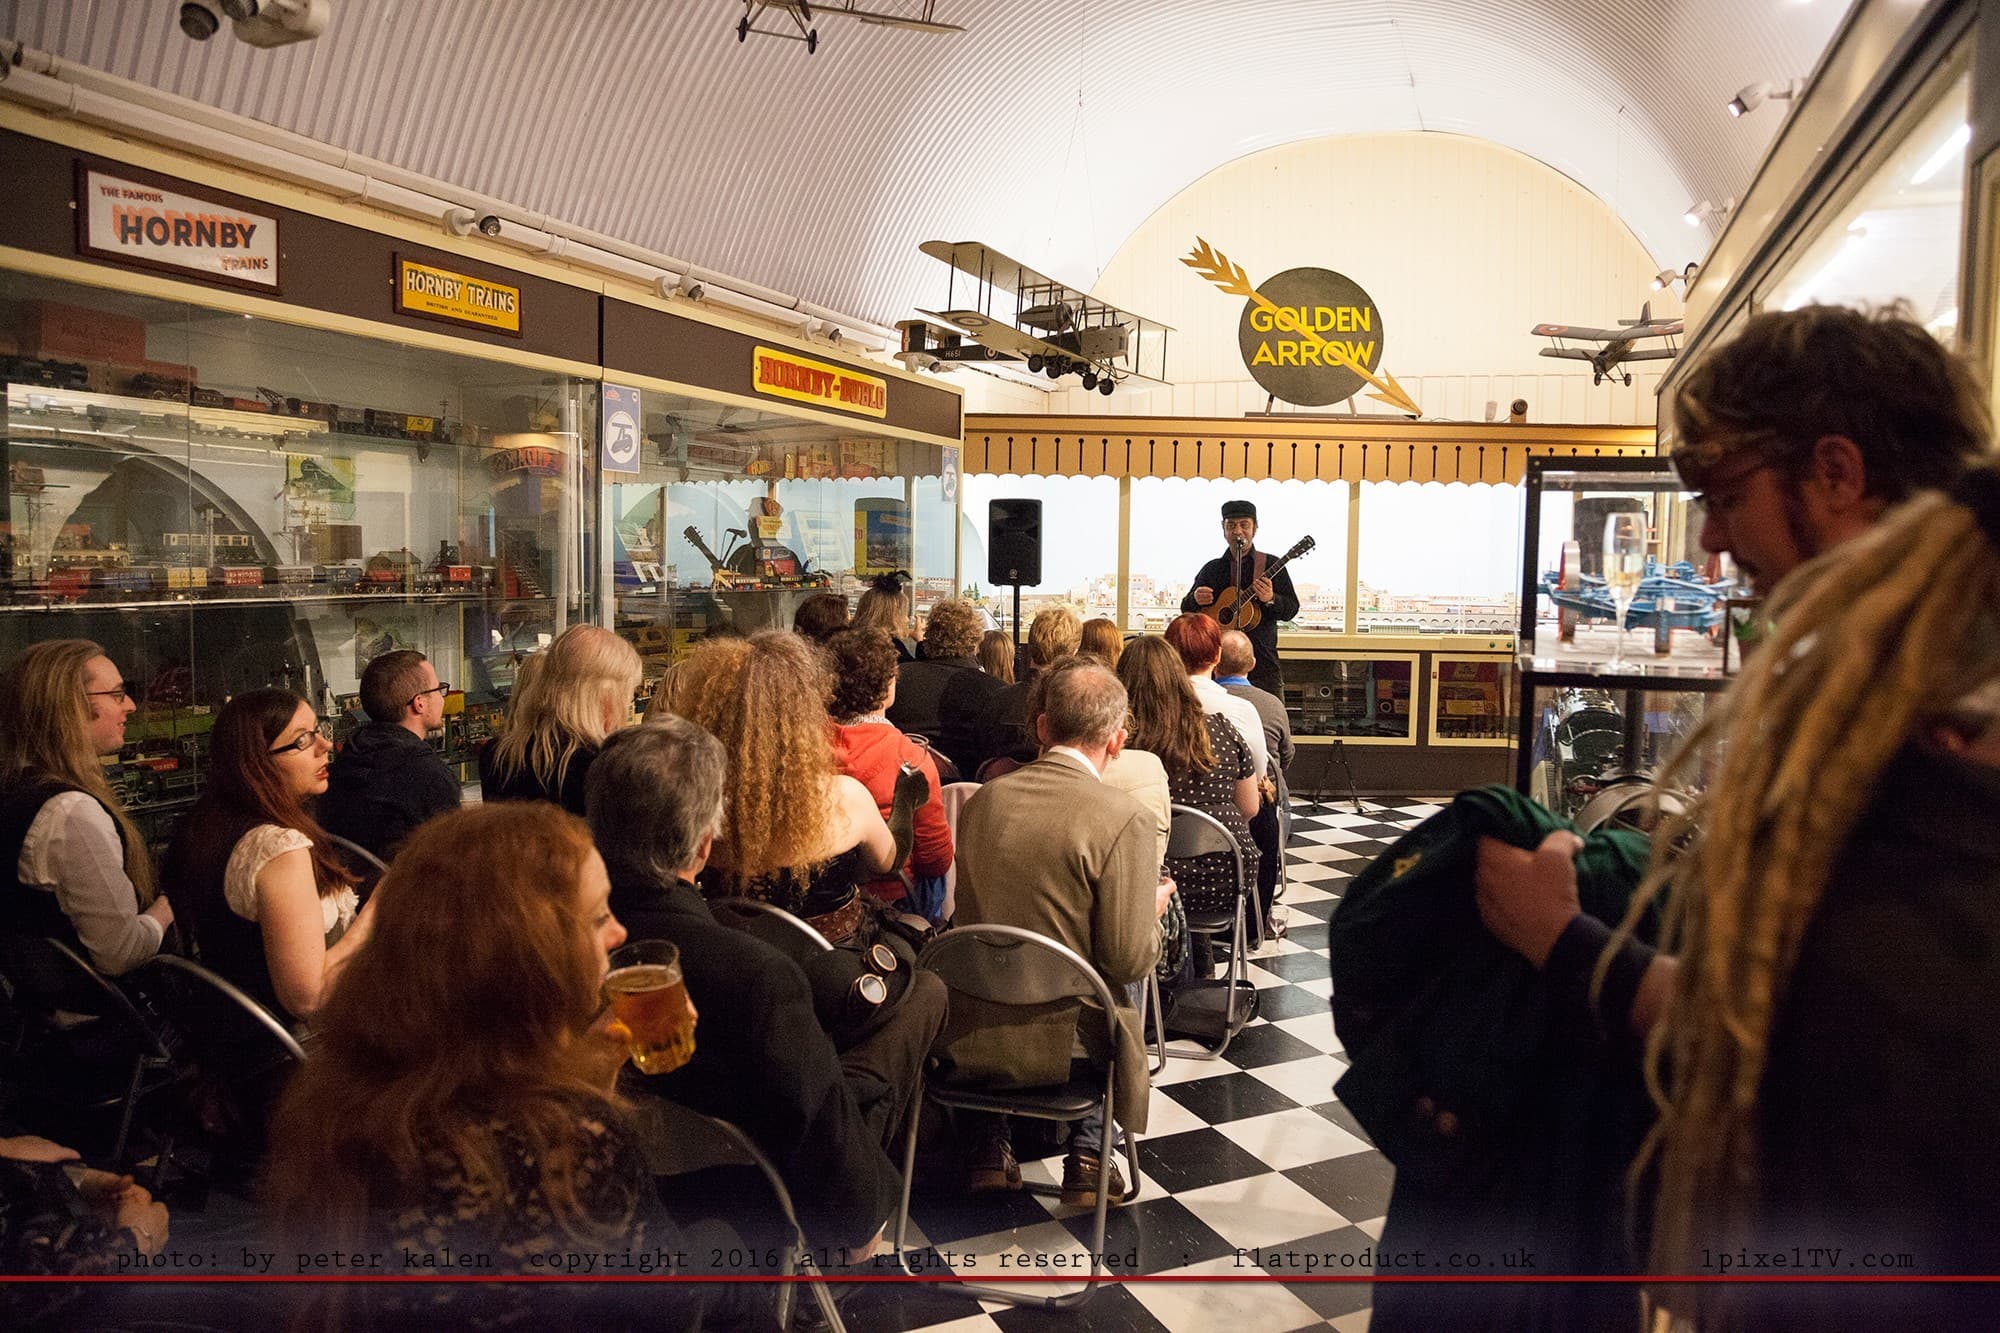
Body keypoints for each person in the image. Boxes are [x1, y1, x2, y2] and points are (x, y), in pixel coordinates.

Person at [1477, 468, 2000, 1330]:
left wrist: (1567, 943)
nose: (1711, 539)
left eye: (1726, 493)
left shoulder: (1907, 880)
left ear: (1834, 475)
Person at [261, 803, 728, 1330]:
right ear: (527, 953)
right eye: (598, 916)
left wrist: (585, 1080)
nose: (619, 933)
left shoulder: (344, 1098)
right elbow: (670, 1306)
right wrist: (588, 1110)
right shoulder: (563, 1145)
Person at [585, 721, 907, 1254]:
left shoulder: (551, 951)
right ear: (705, 846)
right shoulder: (755, 976)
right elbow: (814, 1127)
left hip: (611, 1198)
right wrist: (862, 1226)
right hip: (746, 1205)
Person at [939, 659, 1168, 1205]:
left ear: (1042, 728)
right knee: (1123, 972)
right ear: (1116, 741)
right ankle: (1090, 1153)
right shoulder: (1123, 817)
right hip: (1072, 1040)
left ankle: (989, 1146)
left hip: (971, 1028)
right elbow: (1128, 959)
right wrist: (1151, 912)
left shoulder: (982, 802)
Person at [1666, 303, 1987, 595]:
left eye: (1729, 499)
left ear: (1836, 474)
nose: (1709, 539)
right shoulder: (1930, 638)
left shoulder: (1943, 656)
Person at [673, 631, 896, 940]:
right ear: (806, 714)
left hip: (733, 960)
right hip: (835, 969)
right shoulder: (845, 799)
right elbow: (885, 862)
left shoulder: (691, 807)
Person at [165, 689, 367, 1024]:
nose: (325, 746)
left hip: (221, 1037)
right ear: (257, 763)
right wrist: (377, 916)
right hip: (292, 1055)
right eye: (303, 740)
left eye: (318, 731)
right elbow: (308, 997)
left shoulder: (202, 823)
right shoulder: (277, 847)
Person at [0, 640, 171, 975]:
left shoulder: (17, 786)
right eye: (118, 694)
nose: (131, 706)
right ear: (70, 705)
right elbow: (121, 953)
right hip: (100, 1021)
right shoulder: (71, 812)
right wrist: (168, 906)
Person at [1119, 636, 1256, 966]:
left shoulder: (1120, 741)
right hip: (1224, 875)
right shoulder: (1220, 728)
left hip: (1146, 881)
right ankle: (1202, 963)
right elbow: (1249, 807)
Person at [825, 628, 952, 906]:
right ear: (887, 686)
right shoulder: (910, 758)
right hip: (892, 901)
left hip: (824, 898)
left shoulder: (804, 749)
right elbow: (936, 859)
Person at [478, 624, 641, 814]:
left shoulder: (496, 756)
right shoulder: (606, 770)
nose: (627, 703)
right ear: (606, 696)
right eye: (627, 694)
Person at [317, 649, 459, 862]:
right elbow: (453, 860)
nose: (441, 696)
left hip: (346, 890)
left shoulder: (347, 760)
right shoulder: (427, 774)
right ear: (419, 703)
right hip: (402, 892)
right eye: (438, 689)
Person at [1218, 628, 1295, 938]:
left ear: (1215, 664)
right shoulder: (1272, 704)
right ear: (1251, 665)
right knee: (1279, 797)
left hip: (1215, 807)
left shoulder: (1197, 704)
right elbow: (1286, 757)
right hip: (1263, 804)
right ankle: (1258, 917)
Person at [1180, 499, 1299, 694]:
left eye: (1244, 525)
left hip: (1262, 665)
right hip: (1215, 667)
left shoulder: (1271, 564)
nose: (1237, 531)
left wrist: (1271, 598)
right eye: (1231, 525)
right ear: (1223, 529)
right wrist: (1195, 599)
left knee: (1269, 719)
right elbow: (1186, 609)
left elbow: (1291, 610)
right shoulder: (1212, 569)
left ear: (1255, 528)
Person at [886, 597, 1001, 779]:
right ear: (976, 642)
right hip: (966, 791)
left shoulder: (897, 678)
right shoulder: (994, 691)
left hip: (899, 784)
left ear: (930, 636)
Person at [1163, 613, 1268, 779]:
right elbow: (1259, 775)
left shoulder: (1151, 706)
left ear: (1167, 654)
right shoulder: (1242, 710)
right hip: (1229, 802)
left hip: (1161, 803)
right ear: (1217, 656)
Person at [976, 605, 1082, 768]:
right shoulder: (1080, 708)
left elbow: (982, 763)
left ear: (1030, 645)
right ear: (1074, 651)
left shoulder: (997, 700)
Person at [851, 575, 918, 661]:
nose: (907, 619)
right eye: (903, 614)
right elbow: (915, 671)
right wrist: (920, 642)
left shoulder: (848, 642)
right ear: (890, 616)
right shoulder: (890, 647)